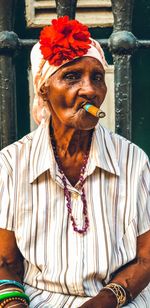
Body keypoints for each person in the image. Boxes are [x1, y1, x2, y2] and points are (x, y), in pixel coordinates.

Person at [0, 15, 149, 308]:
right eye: (71, 76)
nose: (90, 90)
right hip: (38, 301)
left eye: (97, 77)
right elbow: (5, 260)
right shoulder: (12, 163)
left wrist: (105, 300)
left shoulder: (133, 161)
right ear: (44, 89)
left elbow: (146, 259)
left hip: (118, 300)